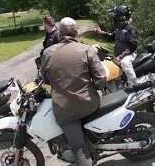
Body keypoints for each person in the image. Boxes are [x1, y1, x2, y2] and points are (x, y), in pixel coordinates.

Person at [41, 17, 106, 166]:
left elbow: (45, 80)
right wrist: (95, 88)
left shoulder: (48, 53)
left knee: (78, 148)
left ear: (59, 34)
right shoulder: (86, 49)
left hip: (65, 110)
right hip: (90, 103)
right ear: (76, 32)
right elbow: (101, 78)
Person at [94, 5, 139, 87]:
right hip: (119, 55)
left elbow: (133, 45)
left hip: (130, 54)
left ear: (122, 17)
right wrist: (101, 33)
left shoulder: (130, 29)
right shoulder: (119, 29)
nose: (114, 18)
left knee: (125, 63)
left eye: (116, 16)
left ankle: (134, 84)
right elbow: (112, 36)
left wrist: (121, 56)